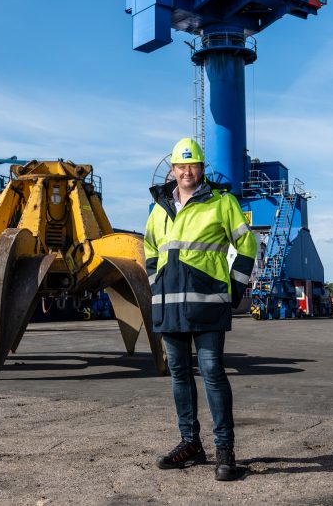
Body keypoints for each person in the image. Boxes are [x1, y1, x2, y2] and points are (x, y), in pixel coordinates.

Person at [144, 137, 257, 481]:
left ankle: (226, 451)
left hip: (208, 305)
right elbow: (149, 249)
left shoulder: (221, 203)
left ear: (201, 169)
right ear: (173, 170)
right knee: (179, 375)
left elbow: (246, 244)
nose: (187, 171)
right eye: (181, 165)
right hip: (169, 309)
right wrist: (155, 283)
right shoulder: (160, 207)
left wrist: (234, 289)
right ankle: (190, 444)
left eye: (193, 165)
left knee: (212, 373)